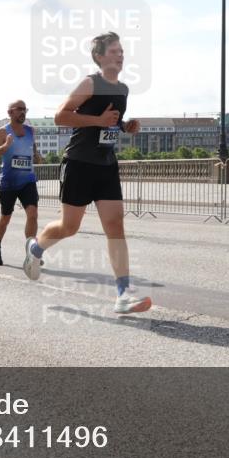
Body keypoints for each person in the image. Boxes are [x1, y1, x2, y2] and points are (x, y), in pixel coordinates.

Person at [22, 31, 151, 314]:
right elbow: (60, 116)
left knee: (115, 225)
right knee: (69, 227)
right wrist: (98, 120)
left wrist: (124, 126)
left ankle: (123, 294)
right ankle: (36, 249)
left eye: (122, 51)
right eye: (114, 51)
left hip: (106, 164)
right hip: (79, 163)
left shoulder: (123, 90)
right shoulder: (90, 83)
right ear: (99, 56)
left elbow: (110, 122)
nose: (120, 55)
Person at [0, 100, 42, 266]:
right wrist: (5, 146)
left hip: (28, 181)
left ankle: (31, 253)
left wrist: (37, 156)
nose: (23, 112)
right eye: (19, 109)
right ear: (10, 112)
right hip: (9, 182)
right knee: (5, 218)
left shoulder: (30, 131)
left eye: (25, 109)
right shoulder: (2, 131)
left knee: (33, 214)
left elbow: (33, 149)